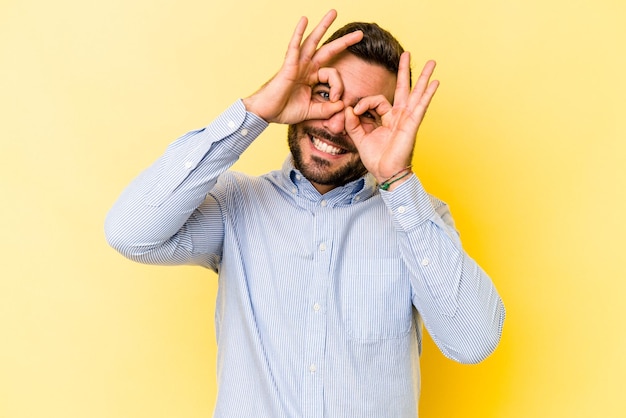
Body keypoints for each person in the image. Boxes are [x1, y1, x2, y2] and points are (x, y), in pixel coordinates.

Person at [105, 9, 505, 417]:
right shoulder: (236, 205)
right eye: (325, 94)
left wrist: (397, 179)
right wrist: (257, 110)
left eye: (367, 113)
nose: (336, 124)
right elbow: (130, 232)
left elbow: (473, 340)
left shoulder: (418, 219)